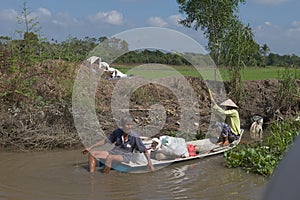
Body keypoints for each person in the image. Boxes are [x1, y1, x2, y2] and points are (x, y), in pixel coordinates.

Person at [82, 117, 154, 173]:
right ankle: (91, 175)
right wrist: (90, 147)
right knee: (92, 153)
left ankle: (105, 176)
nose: (129, 127)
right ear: (122, 125)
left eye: (131, 125)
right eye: (127, 125)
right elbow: (105, 141)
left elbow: (144, 150)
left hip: (125, 156)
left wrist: (149, 163)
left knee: (110, 157)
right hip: (114, 152)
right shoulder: (117, 132)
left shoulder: (134, 136)